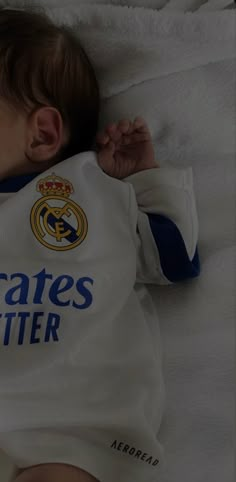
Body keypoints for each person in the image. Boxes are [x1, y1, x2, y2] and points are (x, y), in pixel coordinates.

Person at [0, 6, 201, 482]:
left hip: (75, 422)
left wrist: (148, 181)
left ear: (44, 133)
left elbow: (175, 260)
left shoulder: (93, 191)